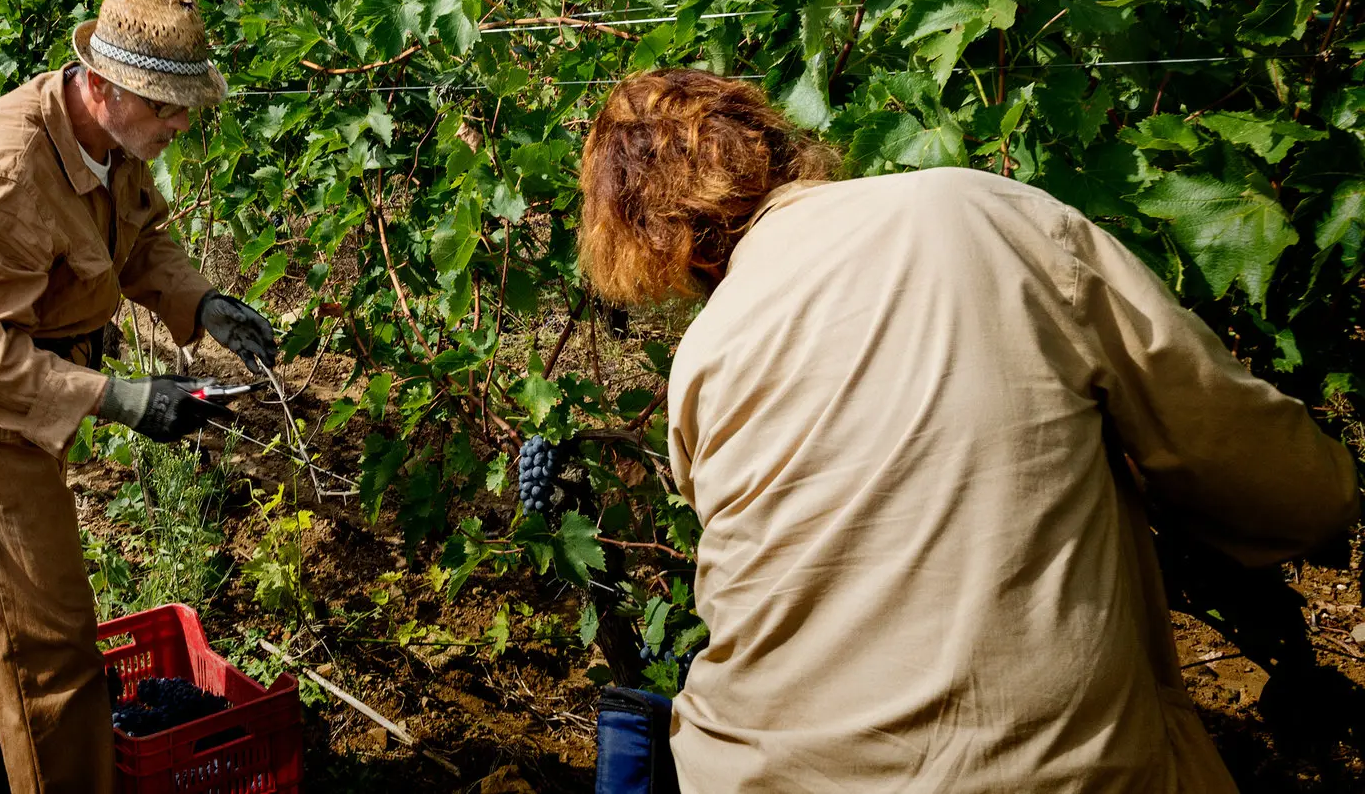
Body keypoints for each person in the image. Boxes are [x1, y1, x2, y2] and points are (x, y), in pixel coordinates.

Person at [576, 69, 1361, 792]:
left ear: (650, 244)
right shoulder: (981, 210)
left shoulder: (705, 355)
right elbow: (1267, 471)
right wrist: (1327, 494)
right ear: (774, 141)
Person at [0, 0, 280, 794]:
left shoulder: (110, 142)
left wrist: (201, 303)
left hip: (31, 370)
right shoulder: (10, 173)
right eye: (165, 107)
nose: (181, 123)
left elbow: (139, 242)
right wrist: (124, 397)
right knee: (53, 643)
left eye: (186, 106)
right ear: (101, 86)